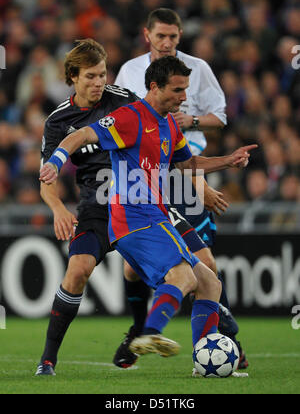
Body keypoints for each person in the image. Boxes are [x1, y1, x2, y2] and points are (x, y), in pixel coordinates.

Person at [40, 56, 257, 364]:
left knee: (210, 282)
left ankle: (204, 360)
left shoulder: (169, 123)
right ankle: (148, 331)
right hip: (132, 218)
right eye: (178, 90)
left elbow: (186, 164)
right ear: (155, 87)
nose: (184, 97)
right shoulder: (130, 117)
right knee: (183, 275)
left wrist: (228, 160)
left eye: (185, 90)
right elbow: (82, 134)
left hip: (157, 215)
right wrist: (57, 160)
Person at [113, 8, 248, 369]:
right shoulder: (129, 71)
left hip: (186, 171)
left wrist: (192, 122)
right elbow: (123, 126)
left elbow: (219, 117)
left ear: (180, 35)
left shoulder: (197, 69)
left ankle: (221, 339)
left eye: (173, 37)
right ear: (148, 36)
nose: (168, 43)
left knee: (204, 265)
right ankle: (141, 329)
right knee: (137, 270)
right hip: (147, 180)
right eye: (161, 36)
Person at [35, 38, 140, 376]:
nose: (99, 83)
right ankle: (48, 359)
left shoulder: (123, 100)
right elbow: (47, 178)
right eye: (91, 77)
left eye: (102, 75)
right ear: (73, 78)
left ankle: (139, 335)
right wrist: (58, 208)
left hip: (136, 201)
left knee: (146, 269)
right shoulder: (57, 121)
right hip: (96, 206)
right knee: (78, 270)